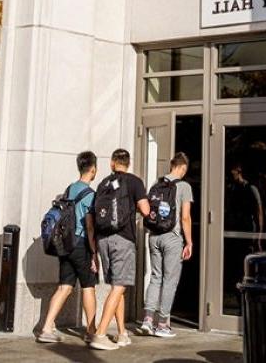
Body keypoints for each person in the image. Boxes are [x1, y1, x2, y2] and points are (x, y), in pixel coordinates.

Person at [88, 148, 150, 351]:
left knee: (117, 287)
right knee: (119, 287)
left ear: (113, 163)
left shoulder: (103, 183)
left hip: (103, 240)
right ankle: (100, 334)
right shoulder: (134, 182)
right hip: (123, 239)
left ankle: (122, 333)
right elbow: (146, 209)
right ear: (128, 163)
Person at [35, 151, 99, 344]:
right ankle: (91, 330)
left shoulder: (69, 189)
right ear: (93, 169)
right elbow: (89, 226)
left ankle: (46, 327)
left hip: (65, 245)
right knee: (88, 287)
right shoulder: (90, 195)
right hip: (81, 244)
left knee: (64, 286)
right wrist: (94, 253)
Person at [140, 152, 193, 338]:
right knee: (170, 281)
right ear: (183, 168)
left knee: (156, 277)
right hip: (172, 237)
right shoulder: (184, 186)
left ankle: (147, 319)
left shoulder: (157, 184)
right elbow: (185, 217)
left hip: (154, 236)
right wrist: (189, 242)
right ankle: (162, 324)